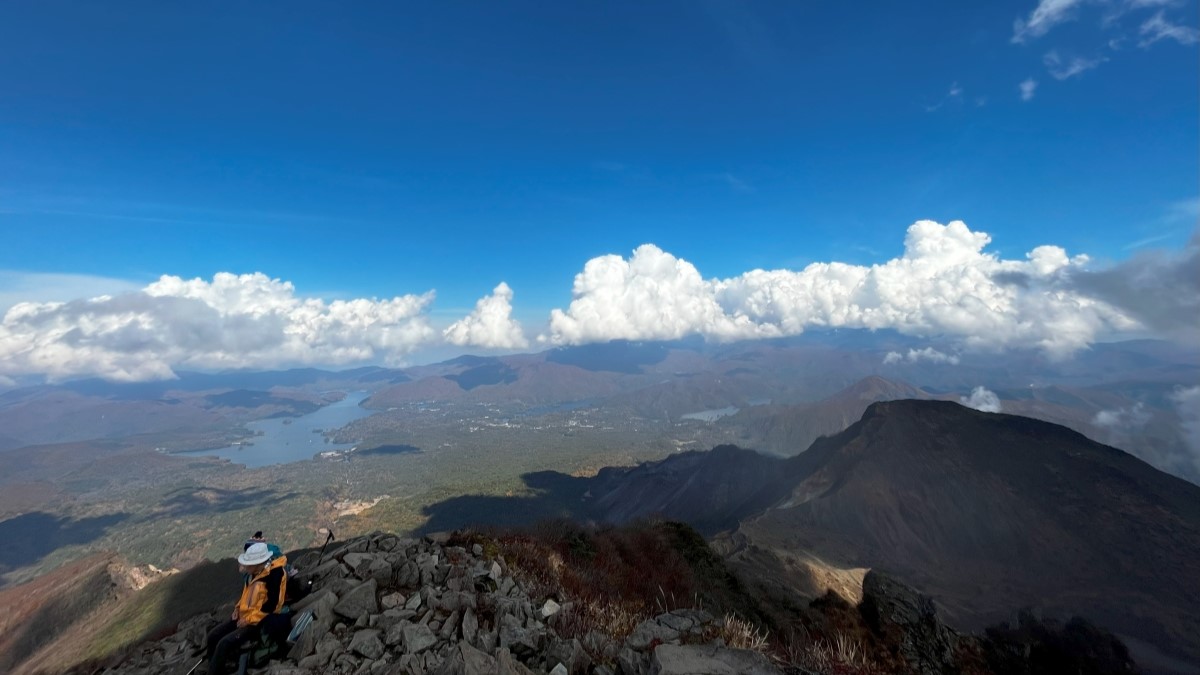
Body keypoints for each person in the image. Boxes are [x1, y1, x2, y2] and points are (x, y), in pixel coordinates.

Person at [204, 542, 289, 675]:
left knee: (224, 644)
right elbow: (246, 595)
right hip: (243, 616)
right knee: (212, 636)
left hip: (258, 621)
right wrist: (237, 608)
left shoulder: (276, 574)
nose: (245, 566)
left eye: (248, 563)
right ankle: (215, 667)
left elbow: (273, 605)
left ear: (258, 563)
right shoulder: (253, 574)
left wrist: (249, 620)